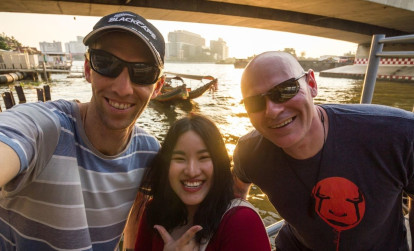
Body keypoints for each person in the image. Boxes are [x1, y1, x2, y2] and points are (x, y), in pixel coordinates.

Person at [0, 11, 165, 250]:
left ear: (158, 86)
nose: (122, 88)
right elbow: (12, 136)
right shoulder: (46, 128)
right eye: (106, 63)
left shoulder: (148, 152)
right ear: (88, 69)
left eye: (143, 72)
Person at [233, 51, 414, 250]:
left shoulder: (396, 133)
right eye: (255, 102)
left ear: (311, 84)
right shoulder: (250, 152)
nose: (272, 111)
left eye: (285, 90)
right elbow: (236, 192)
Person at [133, 114, 271, 251]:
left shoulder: (242, 222)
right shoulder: (155, 211)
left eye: (203, 157)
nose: (192, 171)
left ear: (218, 164)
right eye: (180, 158)